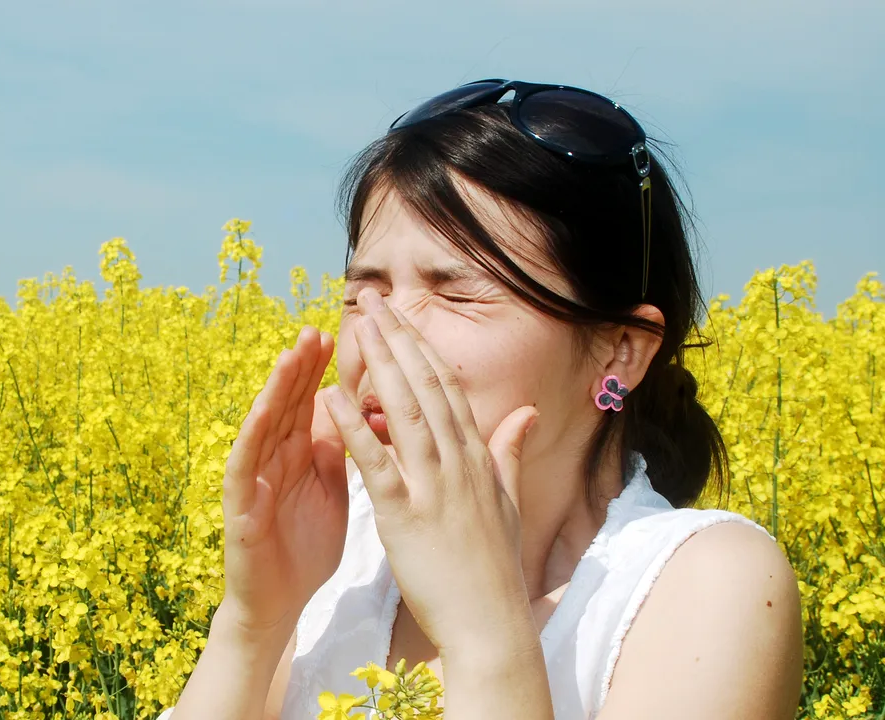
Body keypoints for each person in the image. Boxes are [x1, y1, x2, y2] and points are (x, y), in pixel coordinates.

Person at [159, 79, 804, 720]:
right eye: (364, 294)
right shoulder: (341, 558)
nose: (384, 332)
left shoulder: (706, 584)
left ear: (620, 352)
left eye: (458, 292)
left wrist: (484, 637)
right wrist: (253, 623)